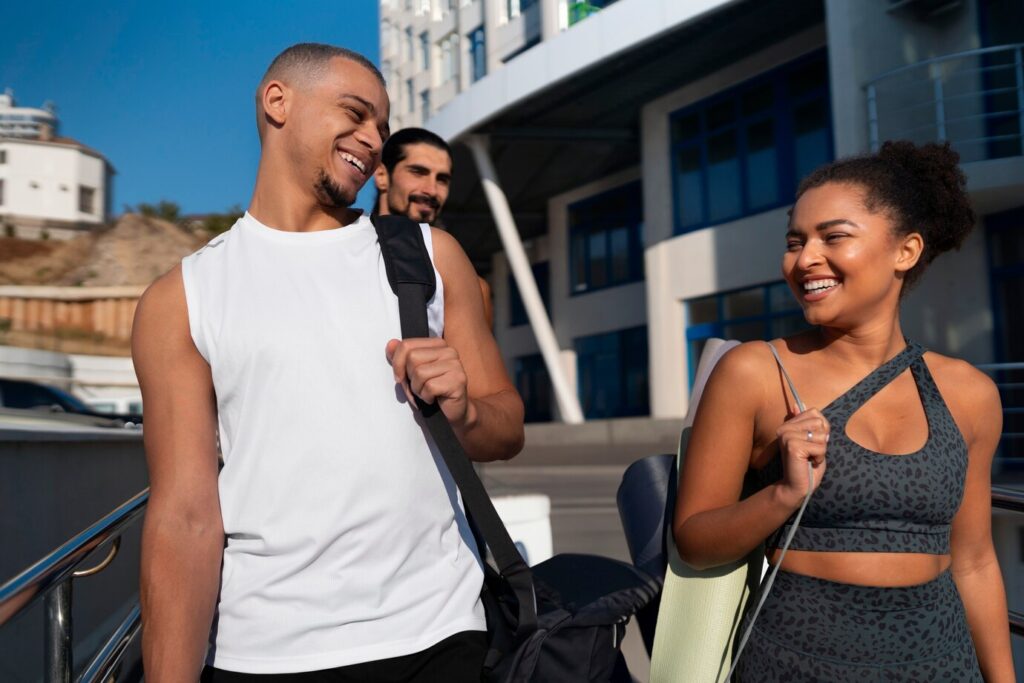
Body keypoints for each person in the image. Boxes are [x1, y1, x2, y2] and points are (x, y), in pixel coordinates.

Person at [132, 43, 524, 682]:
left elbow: (507, 429)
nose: (373, 140)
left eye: (383, 127)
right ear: (277, 102)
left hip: (440, 637)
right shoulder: (182, 299)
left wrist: (464, 410)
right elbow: (184, 517)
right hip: (263, 654)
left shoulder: (430, 256)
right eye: (356, 113)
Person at [673, 141, 1015, 681]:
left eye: (833, 237)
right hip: (795, 661)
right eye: (795, 241)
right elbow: (694, 541)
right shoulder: (754, 372)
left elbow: (973, 560)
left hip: (940, 663)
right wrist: (783, 495)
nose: (805, 258)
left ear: (904, 251)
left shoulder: (969, 392)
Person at [373, 127, 494, 328]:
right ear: (382, 176)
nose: (431, 190)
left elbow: (475, 359)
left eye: (442, 179)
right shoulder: (345, 255)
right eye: (418, 172)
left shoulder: (473, 288)